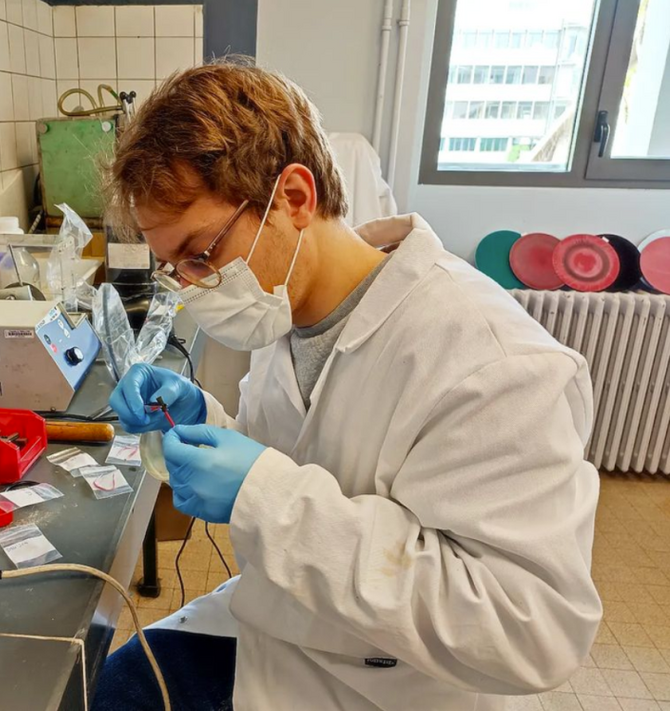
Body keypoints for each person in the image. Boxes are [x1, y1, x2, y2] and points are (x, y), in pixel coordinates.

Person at [93, 59, 602, 711]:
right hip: (285, 622)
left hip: (393, 683)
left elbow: (529, 633)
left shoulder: (494, 360)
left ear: (294, 199)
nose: (192, 287)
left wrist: (262, 494)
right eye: (174, 269)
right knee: (104, 691)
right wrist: (208, 424)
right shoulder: (289, 311)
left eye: (201, 254)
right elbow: (299, 459)